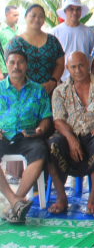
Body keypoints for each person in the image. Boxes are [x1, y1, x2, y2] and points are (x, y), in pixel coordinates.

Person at [47, 52, 94, 215]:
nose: (78, 70)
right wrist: (71, 138)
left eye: (81, 65)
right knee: (52, 145)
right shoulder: (60, 91)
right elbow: (58, 121)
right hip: (69, 135)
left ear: (88, 63)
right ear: (67, 68)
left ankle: (93, 197)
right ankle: (61, 197)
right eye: (73, 66)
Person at [0, 50, 51, 223]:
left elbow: (46, 117)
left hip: (27, 137)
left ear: (26, 65)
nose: (16, 66)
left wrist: (40, 131)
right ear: (6, 64)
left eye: (20, 62)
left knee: (40, 150)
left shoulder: (38, 90)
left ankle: (16, 201)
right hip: (2, 136)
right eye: (12, 62)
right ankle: (14, 201)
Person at [6, 4, 64, 96]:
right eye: (33, 15)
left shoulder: (53, 41)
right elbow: (11, 67)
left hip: (48, 90)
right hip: (24, 92)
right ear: (25, 17)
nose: (37, 19)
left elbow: (60, 64)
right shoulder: (15, 43)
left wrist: (52, 81)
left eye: (40, 16)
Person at [51, 0, 94, 82]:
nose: (74, 12)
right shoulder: (55, 32)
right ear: (65, 11)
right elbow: (51, 58)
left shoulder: (89, 32)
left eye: (78, 9)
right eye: (71, 9)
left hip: (84, 79)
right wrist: (56, 81)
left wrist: (92, 76)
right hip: (61, 80)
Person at [0, 5, 20, 79]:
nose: (17, 17)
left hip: (19, 68)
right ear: (6, 15)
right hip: (5, 70)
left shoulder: (19, 30)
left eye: (18, 15)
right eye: (14, 15)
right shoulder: (1, 30)